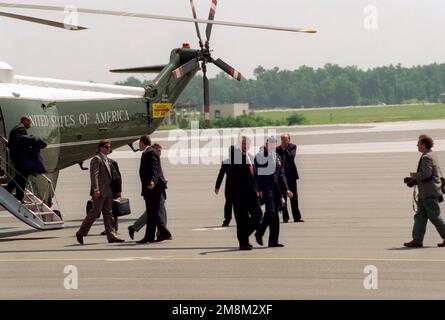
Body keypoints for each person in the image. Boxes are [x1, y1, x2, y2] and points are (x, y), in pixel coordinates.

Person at [75, 139, 125, 245]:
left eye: (109, 147)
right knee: (94, 213)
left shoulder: (108, 160)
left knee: (109, 214)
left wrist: (116, 191)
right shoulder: (96, 159)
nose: (109, 149)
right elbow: (94, 175)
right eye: (107, 147)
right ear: (101, 148)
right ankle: (80, 233)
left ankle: (112, 236)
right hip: (100, 192)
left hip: (108, 192)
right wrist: (96, 190)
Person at [403, 134, 445, 248]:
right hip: (426, 192)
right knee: (420, 216)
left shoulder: (426, 157)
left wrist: (414, 176)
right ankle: (417, 239)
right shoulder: (432, 154)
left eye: (418, 143)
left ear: (424, 144)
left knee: (434, 216)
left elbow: (426, 174)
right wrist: (414, 181)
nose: (417, 145)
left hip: (429, 192)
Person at [254, 136, 293, 248]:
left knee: (275, 215)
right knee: (271, 212)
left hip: (276, 189)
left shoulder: (277, 157)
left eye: (273, 145)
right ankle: (260, 232)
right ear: (266, 145)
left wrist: (287, 189)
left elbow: (281, 175)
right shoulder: (260, 157)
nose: (271, 147)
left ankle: (273, 241)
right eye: (269, 144)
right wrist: (259, 189)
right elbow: (257, 175)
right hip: (266, 188)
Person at [128, 143, 170, 241]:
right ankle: (162, 233)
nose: (160, 153)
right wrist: (154, 182)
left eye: (160, 151)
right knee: (156, 213)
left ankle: (151, 234)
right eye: (158, 150)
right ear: (153, 149)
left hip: (158, 189)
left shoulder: (156, 159)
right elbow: (154, 173)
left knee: (154, 212)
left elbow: (159, 174)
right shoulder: (152, 156)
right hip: (155, 189)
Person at [228, 136, 262, 250]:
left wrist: (258, 190)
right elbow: (232, 153)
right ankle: (243, 243)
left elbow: (254, 176)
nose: (245, 146)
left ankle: (244, 236)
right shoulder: (235, 156)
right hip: (239, 195)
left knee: (258, 215)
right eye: (243, 144)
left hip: (252, 194)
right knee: (241, 219)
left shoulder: (250, 157)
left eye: (247, 144)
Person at [5, 116, 47, 202]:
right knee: (21, 176)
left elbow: (13, 142)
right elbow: (21, 140)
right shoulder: (19, 129)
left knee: (22, 176)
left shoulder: (17, 129)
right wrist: (33, 140)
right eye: (29, 122)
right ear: (24, 120)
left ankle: (18, 196)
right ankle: (9, 188)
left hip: (17, 156)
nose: (30, 125)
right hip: (18, 157)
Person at [276, 133, 303, 223]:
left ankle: (297, 217)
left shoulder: (293, 147)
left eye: (285, 139)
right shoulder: (277, 149)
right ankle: (285, 217)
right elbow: (277, 159)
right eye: (282, 139)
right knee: (283, 198)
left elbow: (291, 157)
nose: (284, 141)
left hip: (291, 176)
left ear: (289, 140)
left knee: (294, 197)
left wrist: (285, 150)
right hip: (282, 177)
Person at [215, 146, 235, 227]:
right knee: (232, 204)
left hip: (230, 187)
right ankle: (227, 220)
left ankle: (227, 220)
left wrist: (217, 187)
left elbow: (221, 175)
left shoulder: (226, 162)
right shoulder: (240, 161)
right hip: (235, 187)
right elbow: (221, 175)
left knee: (229, 204)